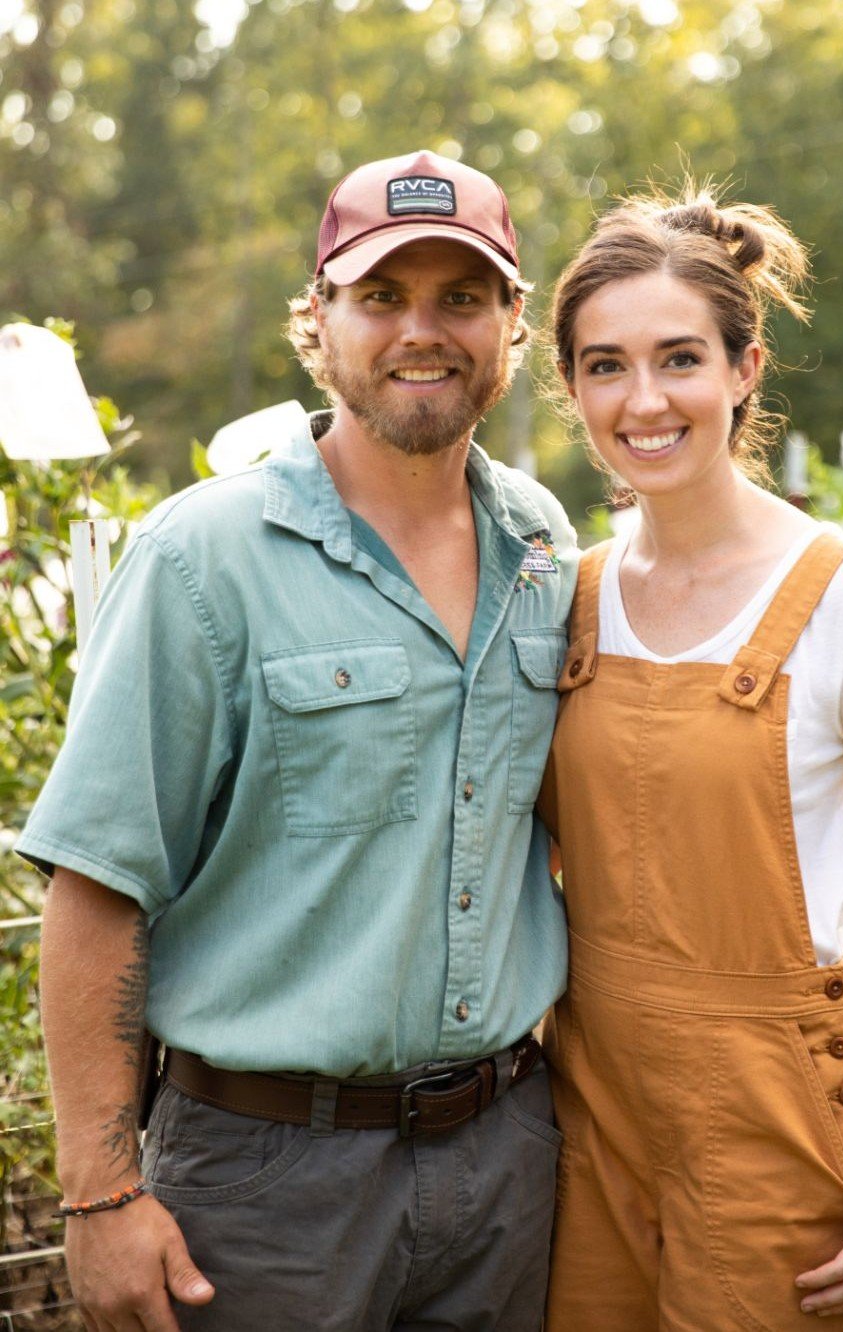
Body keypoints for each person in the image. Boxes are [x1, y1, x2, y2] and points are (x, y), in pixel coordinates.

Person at [18, 149, 577, 1331]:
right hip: (267, 1186)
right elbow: (97, 888)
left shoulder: (542, 543)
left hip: (508, 1161)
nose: (421, 332)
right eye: (380, 296)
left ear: (511, 324)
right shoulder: (198, 559)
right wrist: (100, 1191)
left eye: (461, 298)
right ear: (317, 322)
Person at [537, 189, 843, 1330]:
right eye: (605, 366)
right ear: (572, 387)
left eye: (679, 358)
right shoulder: (566, 596)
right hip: (586, 1108)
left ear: (744, 368)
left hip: (773, 1116)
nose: (643, 400)